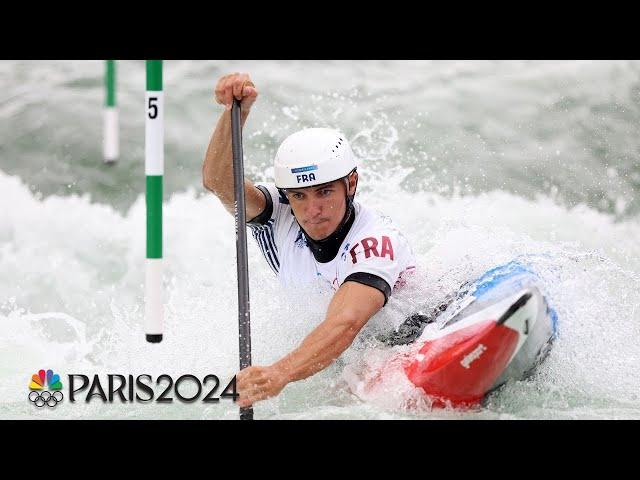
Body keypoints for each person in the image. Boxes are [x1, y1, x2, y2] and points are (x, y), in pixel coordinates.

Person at [202, 72, 419, 408]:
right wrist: (236, 113)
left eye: (324, 192)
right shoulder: (278, 212)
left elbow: (345, 323)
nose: (312, 209)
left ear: (351, 184)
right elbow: (219, 181)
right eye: (299, 196)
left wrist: (279, 373)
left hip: (410, 335)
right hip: (346, 356)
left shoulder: (375, 241)